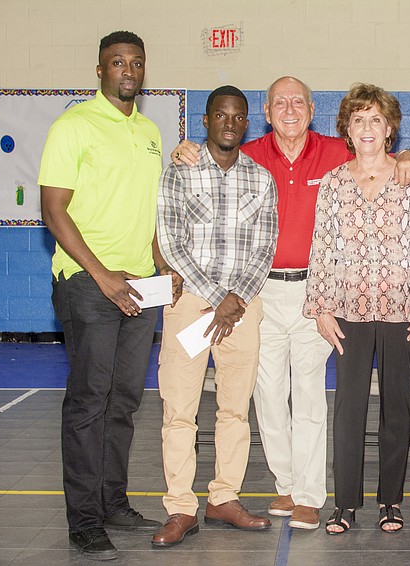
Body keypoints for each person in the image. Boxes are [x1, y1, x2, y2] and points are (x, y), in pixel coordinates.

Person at [171, 77, 410, 530]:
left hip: (316, 293)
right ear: (266, 112)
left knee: (308, 393)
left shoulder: (334, 153)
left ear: (312, 109)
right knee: (266, 394)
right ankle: (284, 486)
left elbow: (378, 154)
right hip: (258, 290)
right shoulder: (247, 156)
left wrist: (407, 155)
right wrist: (182, 151)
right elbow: (206, 161)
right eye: (279, 102)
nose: (289, 109)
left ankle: (308, 494)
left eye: (298, 102)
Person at [39, 30, 181, 561]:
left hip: (140, 287)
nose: (128, 70)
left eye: (137, 63)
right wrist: (101, 276)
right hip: (89, 285)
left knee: (123, 402)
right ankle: (84, 521)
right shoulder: (72, 125)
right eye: (117, 62)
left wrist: (162, 266)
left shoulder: (148, 132)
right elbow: (55, 211)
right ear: (100, 70)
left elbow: (148, 213)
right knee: (88, 402)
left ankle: (112, 500)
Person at [304, 83, 410, 534]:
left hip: (403, 310)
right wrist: (321, 307)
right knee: (347, 408)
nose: (367, 128)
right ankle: (344, 503)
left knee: (397, 408)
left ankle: (390, 501)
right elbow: (322, 247)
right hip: (347, 309)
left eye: (376, 120)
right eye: (358, 119)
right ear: (347, 128)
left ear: (390, 129)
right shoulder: (333, 182)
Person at [151, 86, 278, 547]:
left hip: (243, 307)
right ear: (205, 120)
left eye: (238, 116)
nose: (230, 122)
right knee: (179, 411)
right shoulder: (179, 172)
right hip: (189, 305)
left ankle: (223, 496)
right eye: (221, 115)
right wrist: (215, 298)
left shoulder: (261, 180)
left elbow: (265, 246)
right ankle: (181, 507)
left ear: (247, 123)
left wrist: (236, 299)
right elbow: (170, 240)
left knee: (234, 410)